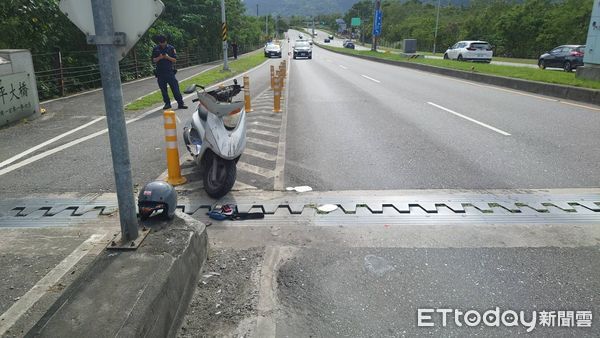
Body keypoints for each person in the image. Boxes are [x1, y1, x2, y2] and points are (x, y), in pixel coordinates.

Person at [152, 35, 187, 110]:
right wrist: (160, 57)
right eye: (161, 43)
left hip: (169, 72)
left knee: (175, 89)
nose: (163, 44)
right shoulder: (155, 49)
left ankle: (180, 103)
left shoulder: (171, 48)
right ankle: (167, 103)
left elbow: (174, 60)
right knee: (163, 90)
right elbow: (154, 60)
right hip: (160, 73)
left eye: (164, 42)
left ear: (166, 41)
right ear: (159, 42)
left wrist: (167, 57)